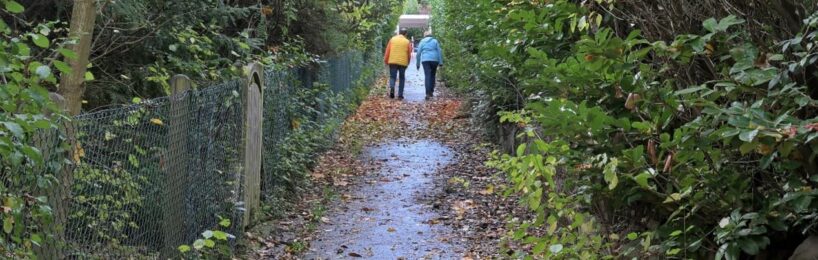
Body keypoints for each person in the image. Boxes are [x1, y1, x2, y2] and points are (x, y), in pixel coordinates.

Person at [383, 28, 412, 99]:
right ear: (406, 34)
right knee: (402, 78)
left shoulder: (392, 39)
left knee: (393, 77)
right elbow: (409, 54)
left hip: (392, 61)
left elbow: (387, 51)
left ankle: (392, 89)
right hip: (403, 62)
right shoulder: (407, 42)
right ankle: (400, 95)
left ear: (399, 33)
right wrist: (408, 62)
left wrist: (386, 61)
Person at [416, 31, 444, 100]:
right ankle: (431, 91)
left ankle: (427, 93)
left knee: (427, 75)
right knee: (433, 75)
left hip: (425, 60)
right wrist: (440, 62)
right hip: (435, 60)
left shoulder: (422, 41)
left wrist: (418, 64)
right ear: (431, 35)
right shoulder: (435, 41)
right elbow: (439, 51)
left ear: (424, 36)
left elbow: (418, 53)